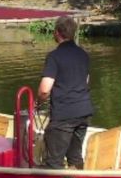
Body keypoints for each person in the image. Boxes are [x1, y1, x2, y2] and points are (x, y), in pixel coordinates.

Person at [37, 15, 94, 169]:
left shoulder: (54, 57)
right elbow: (86, 80)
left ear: (57, 32)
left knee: (54, 162)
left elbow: (44, 89)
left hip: (64, 115)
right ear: (73, 33)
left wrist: (39, 102)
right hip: (83, 112)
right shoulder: (83, 54)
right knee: (75, 157)